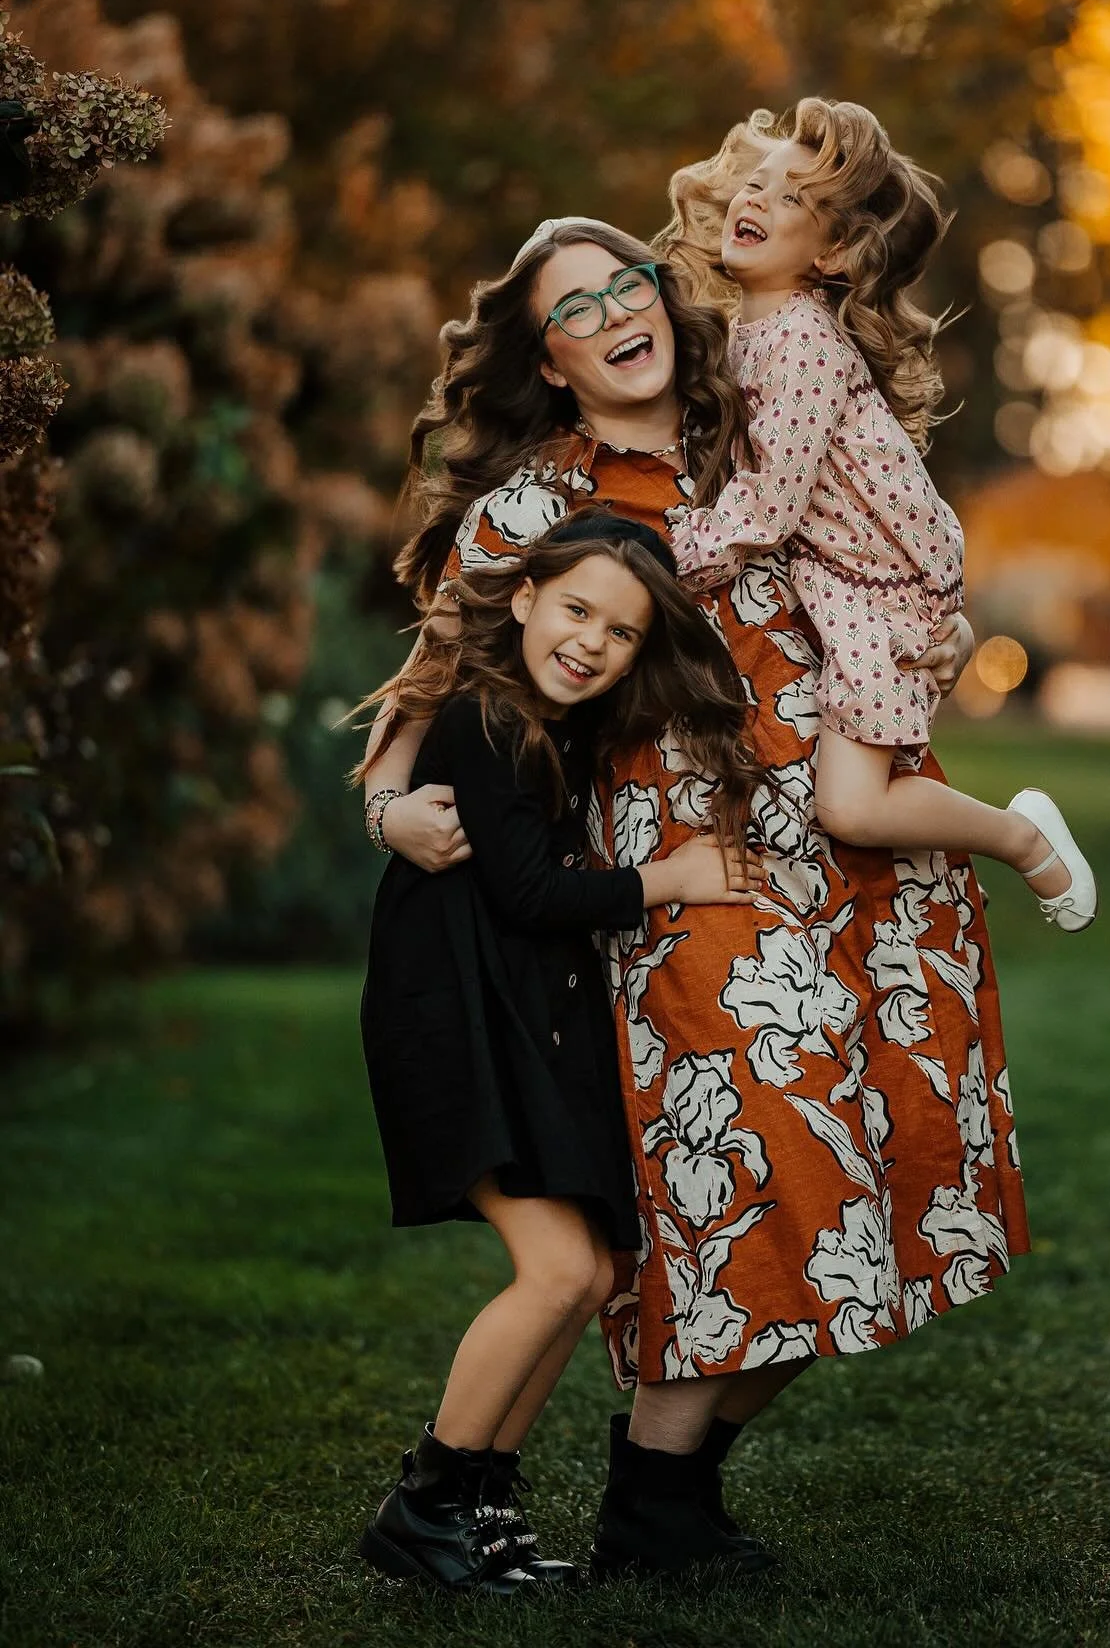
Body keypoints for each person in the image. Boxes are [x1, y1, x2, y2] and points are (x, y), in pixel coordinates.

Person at [366, 215, 1030, 1582]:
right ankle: (636, 1502)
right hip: (697, 886)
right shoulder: (534, 510)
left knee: (894, 1194)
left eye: (629, 281)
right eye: (576, 307)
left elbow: (898, 581)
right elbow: (419, 706)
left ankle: (664, 1503)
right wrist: (388, 807)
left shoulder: (773, 426)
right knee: (765, 1193)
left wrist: (931, 637)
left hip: (868, 862)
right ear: (546, 362)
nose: (619, 310)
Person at [353, 509, 761, 1594]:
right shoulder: (490, 718)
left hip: (510, 1016)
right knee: (557, 1269)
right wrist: (671, 880)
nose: (591, 642)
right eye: (576, 609)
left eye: (622, 632)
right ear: (526, 598)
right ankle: (424, 1504)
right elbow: (529, 893)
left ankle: (481, 1501)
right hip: (453, 1020)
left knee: (589, 1272)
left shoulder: (552, 721)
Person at [663, 97, 1097, 932]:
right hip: (846, 578)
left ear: (829, 252)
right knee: (852, 801)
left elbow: (766, 509)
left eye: (792, 197)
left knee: (854, 809)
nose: (756, 199)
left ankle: (1019, 835)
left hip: (882, 591)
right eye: (757, 183)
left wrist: (662, 550)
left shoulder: (801, 343)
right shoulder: (748, 331)